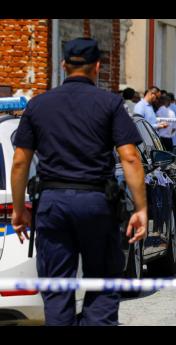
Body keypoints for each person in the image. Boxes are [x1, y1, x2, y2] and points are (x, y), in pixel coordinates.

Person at [11, 37, 148, 326]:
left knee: (58, 287)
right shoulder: (110, 103)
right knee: (103, 281)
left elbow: (21, 160)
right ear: (97, 66)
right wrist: (141, 208)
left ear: (63, 65)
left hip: (53, 203)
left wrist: (19, 208)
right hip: (96, 202)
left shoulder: (38, 105)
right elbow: (131, 158)